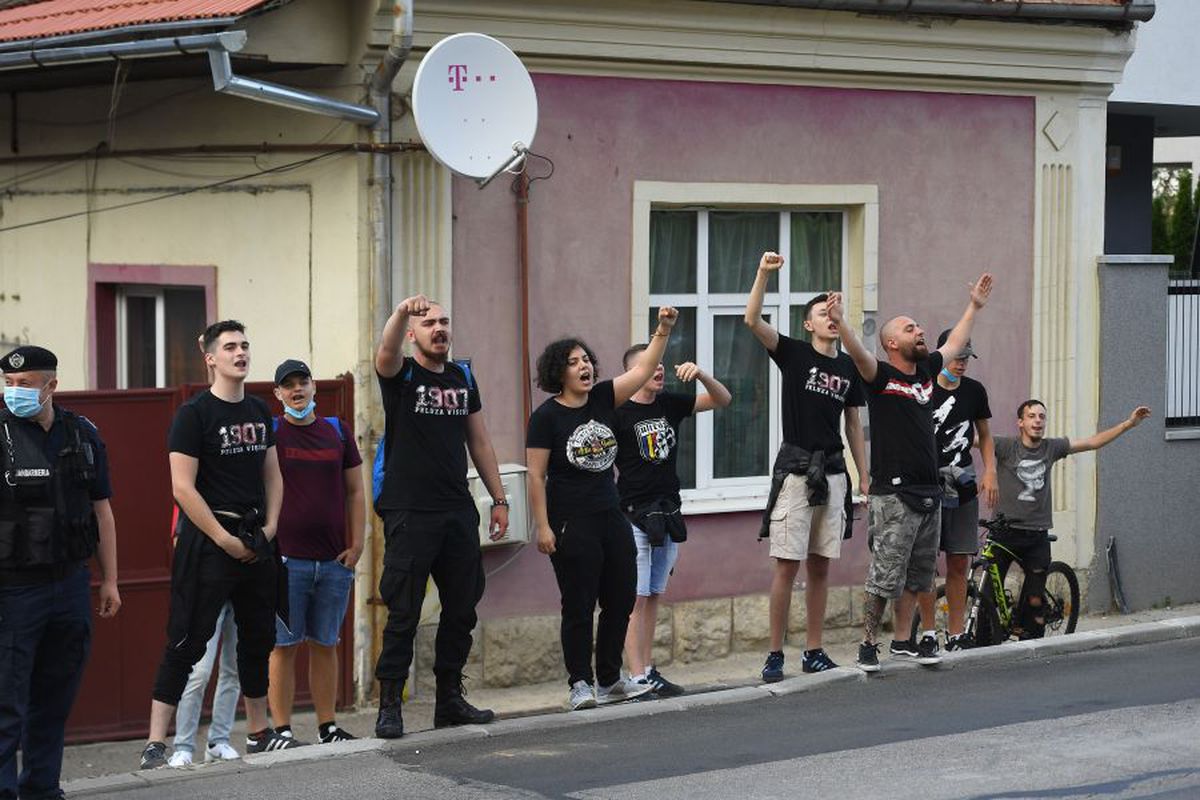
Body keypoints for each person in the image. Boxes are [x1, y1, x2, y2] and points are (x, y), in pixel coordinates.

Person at [141, 320, 298, 769]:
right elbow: (182, 487)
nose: (240, 353)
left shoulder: (259, 411)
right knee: (186, 640)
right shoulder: (193, 415)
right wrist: (223, 539)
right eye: (230, 347)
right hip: (209, 542)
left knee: (258, 639)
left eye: (244, 345)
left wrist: (270, 528)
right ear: (210, 358)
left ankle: (259, 733)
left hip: (256, 539)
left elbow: (273, 475)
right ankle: (156, 743)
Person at [828, 273, 994, 672]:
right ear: (891, 344)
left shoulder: (925, 374)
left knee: (922, 574)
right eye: (909, 329)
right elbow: (859, 354)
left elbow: (953, 344)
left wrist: (974, 306)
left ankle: (917, 639)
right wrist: (842, 322)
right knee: (885, 573)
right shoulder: (880, 377)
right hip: (893, 494)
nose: (919, 331)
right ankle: (868, 644)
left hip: (929, 492)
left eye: (918, 327)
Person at [526, 307, 677, 711]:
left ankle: (610, 680)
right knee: (578, 605)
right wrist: (543, 527)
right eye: (574, 362)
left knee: (621, 597)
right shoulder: (546, 418)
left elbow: (643, 369)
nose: (584, 367)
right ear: (558, 372)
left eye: (587, 360)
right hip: (570, 521)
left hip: (611, 515)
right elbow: (536, 476)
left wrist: (663, 330)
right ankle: (580, 683)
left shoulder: (605, 398)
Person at [373, 295, 508, 739]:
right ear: (413, 334)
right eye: (429, 323)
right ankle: (389, 706)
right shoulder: (402, 375)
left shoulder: (461, 377)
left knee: (462, 608)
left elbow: (479, 442)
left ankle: (449, 699)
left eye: (444, 321)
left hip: (456, 509)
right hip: (409, 511)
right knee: (404, 612)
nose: (439, 329)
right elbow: (385, 352)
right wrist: (400, 313)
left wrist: (500, 499)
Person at [0, 345, 121, 799]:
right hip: (13, 590)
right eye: (8, 384)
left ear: (51, 385)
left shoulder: (82, 434)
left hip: (70, 585)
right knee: (6, 703)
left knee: (53, 700)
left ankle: (42, 788)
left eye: (25, 384)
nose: (14, 392)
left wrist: (110, 580)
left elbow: (101, 510)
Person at [744, 253, 868, 681]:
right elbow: (751, 320)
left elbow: (854, 424)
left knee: (820, 566)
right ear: (807, 324)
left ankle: (814, 650)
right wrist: (763, 274)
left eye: (835, 314)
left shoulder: (847, 367)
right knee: (786, 564)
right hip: (797, 471)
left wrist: (864, 475)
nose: (831, 319)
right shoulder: (793, 354)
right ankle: (775, 653)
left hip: (833, 473)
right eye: (822, 314)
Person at [615, 346, 731, 696]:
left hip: (667, 513)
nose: (659, 370)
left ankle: (648, 670)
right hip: (632, 513)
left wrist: (702, 374)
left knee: (653, 595)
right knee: (634, 599)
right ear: (633, 373)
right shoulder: (618, 411)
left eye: (661, 365)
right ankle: (636, 677)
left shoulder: (670, 404)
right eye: (650, 365)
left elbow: (722, 399)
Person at [987, 400, 1150, 640]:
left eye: (1042, 416)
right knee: (988, 596)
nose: (1038, 421)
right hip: (1004, 531)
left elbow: (1092, 442)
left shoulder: (1051, 447)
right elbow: (974, 439)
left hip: (1036, 534)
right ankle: (982, 643)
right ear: (1020, 422)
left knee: (1035, 601)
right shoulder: (1006, 446)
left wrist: (1129, 424)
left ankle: (1032, 647)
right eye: (1032, 416)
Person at [268, 359, 365, 744]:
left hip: (333, 562)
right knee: (283, 647)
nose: (297, 389)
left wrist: (357, 544)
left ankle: (328, 728)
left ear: (313, 387)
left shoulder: (337, 432)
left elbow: (356, 491)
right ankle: (281, 731)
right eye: (288, 384)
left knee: (325, 644)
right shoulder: (272, 433)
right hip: (286, 562)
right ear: (278, 393)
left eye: (302, 382)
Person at [915, 329, 998, 653]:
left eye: (966, 358)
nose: (962, 363)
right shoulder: (924, 388)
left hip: (962, 482)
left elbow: (985, 435)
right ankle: (928, 632)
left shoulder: (975, 391)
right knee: (925, 562)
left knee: (960, 560)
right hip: (927, 482)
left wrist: (990, 471)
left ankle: (956, 633)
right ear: (943, 354)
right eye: (957, 357)